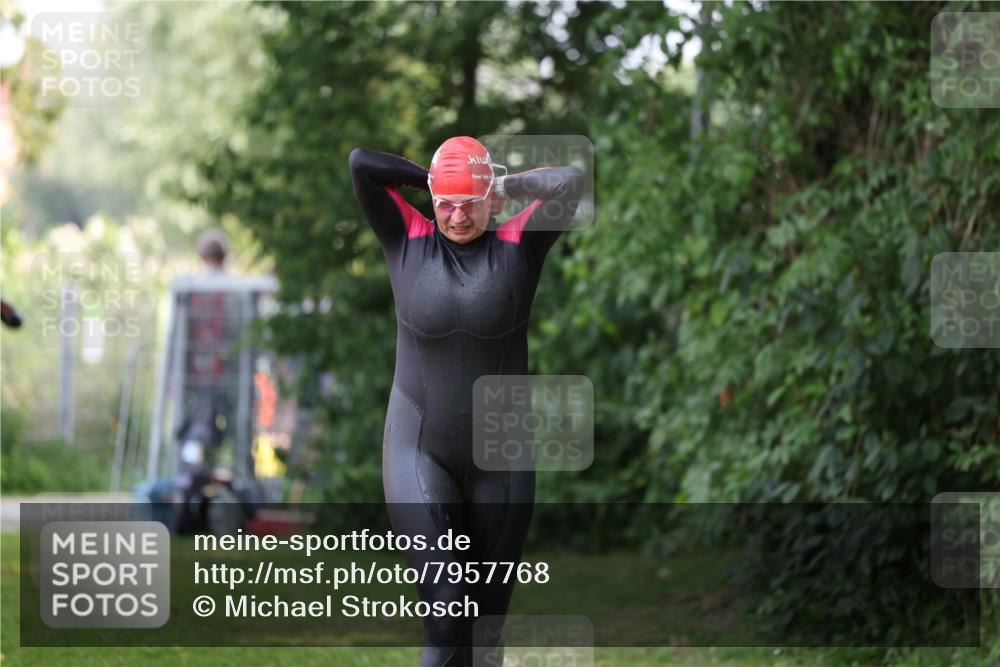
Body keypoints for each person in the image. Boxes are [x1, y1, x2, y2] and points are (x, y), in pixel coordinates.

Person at [349, 136, 584, 666]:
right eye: (445, 204)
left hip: (503, 459)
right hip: (418, 451)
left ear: (488, 199)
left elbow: (573, 182)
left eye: (469, 203)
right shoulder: (406, 238)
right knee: (447, 612)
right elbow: (362, 165)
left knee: (484, 632)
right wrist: (433, 179)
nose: (456, 216)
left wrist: (504, 183)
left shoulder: (520, 244)